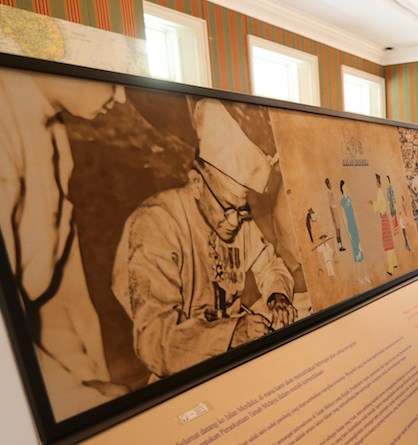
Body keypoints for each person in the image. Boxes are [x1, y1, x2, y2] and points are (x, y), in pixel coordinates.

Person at [0, 64, 129, 420]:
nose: (121, 95)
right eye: (113, 81)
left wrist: (83, 380)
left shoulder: (53, 129)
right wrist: (70, 399)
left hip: (42, 357)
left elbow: (54, 290)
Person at [112, 98, 296, 381]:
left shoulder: (237, 221)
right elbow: (154, 342)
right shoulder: (156, 223)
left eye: (241, 209)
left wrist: (278, 296)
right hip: (181, 379)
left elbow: (269, 264)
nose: (235, 221)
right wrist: (231, 334)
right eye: (227, 207)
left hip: (233, 364)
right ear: (197, 184)